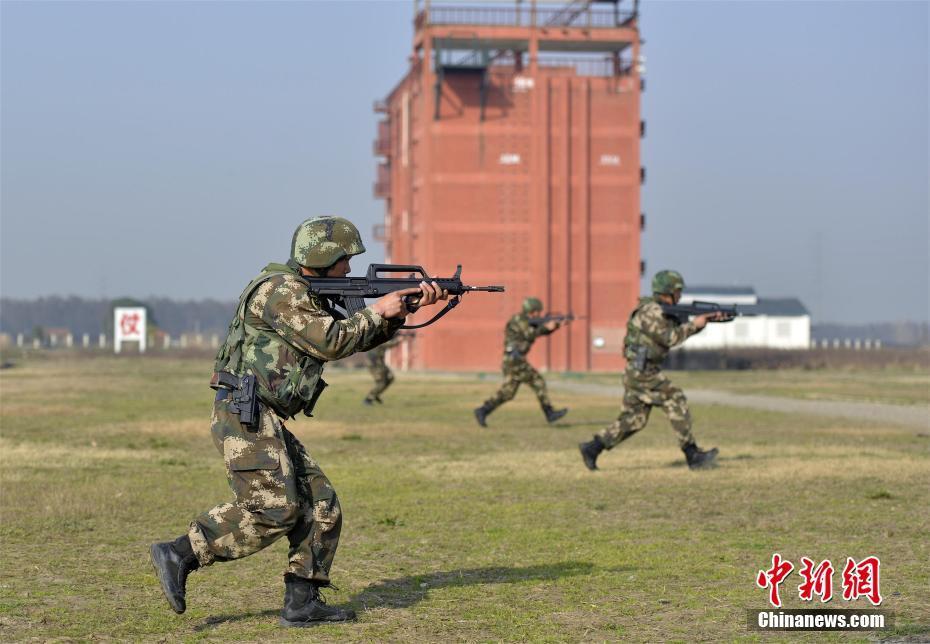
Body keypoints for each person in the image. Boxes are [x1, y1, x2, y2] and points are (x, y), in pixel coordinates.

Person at [149, 216, 447, 627]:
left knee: (321, 505)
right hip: (245, 412)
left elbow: (350, 336)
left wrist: (396, 314)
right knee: (273, 509)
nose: (349, 268)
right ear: (324, 257)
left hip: (263, 413)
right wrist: (380, 312)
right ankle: (181, 552)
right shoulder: (281, 292)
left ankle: (302, 602)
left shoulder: (301, 290)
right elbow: (331, 341)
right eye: (344, 259)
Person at [578, 270, 722, 471]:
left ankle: (592, 448)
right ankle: (692, 454)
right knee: (675, 398)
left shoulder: (658, 310)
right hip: (643, 372)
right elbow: (670, 338)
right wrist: (695, 325)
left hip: (638, 371)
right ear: (667, 292)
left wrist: (705, 321)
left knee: (634, 420)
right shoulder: (652, 312)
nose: (680, 296)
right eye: (677, 291)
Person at [474, 297, 568, 427]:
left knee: (508, 393)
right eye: (537, 311)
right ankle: (549, 412)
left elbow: (539, 331)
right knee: (537, 381)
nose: (538, 314)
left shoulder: (527, 321)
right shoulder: (518, 320)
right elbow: (530, 333)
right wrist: (548, 326)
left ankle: (483, 410)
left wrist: (555, 326)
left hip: (513, 360)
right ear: (532, 310)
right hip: (514, 360)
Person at [363, 335, 402, 405]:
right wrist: (398, 340)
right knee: (382, 382)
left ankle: (376, 395)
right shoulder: (378, 340)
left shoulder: (377, 338)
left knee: (390, 378)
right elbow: (389, 344)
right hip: (374, 364)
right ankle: (368, 398)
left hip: (379, 363)